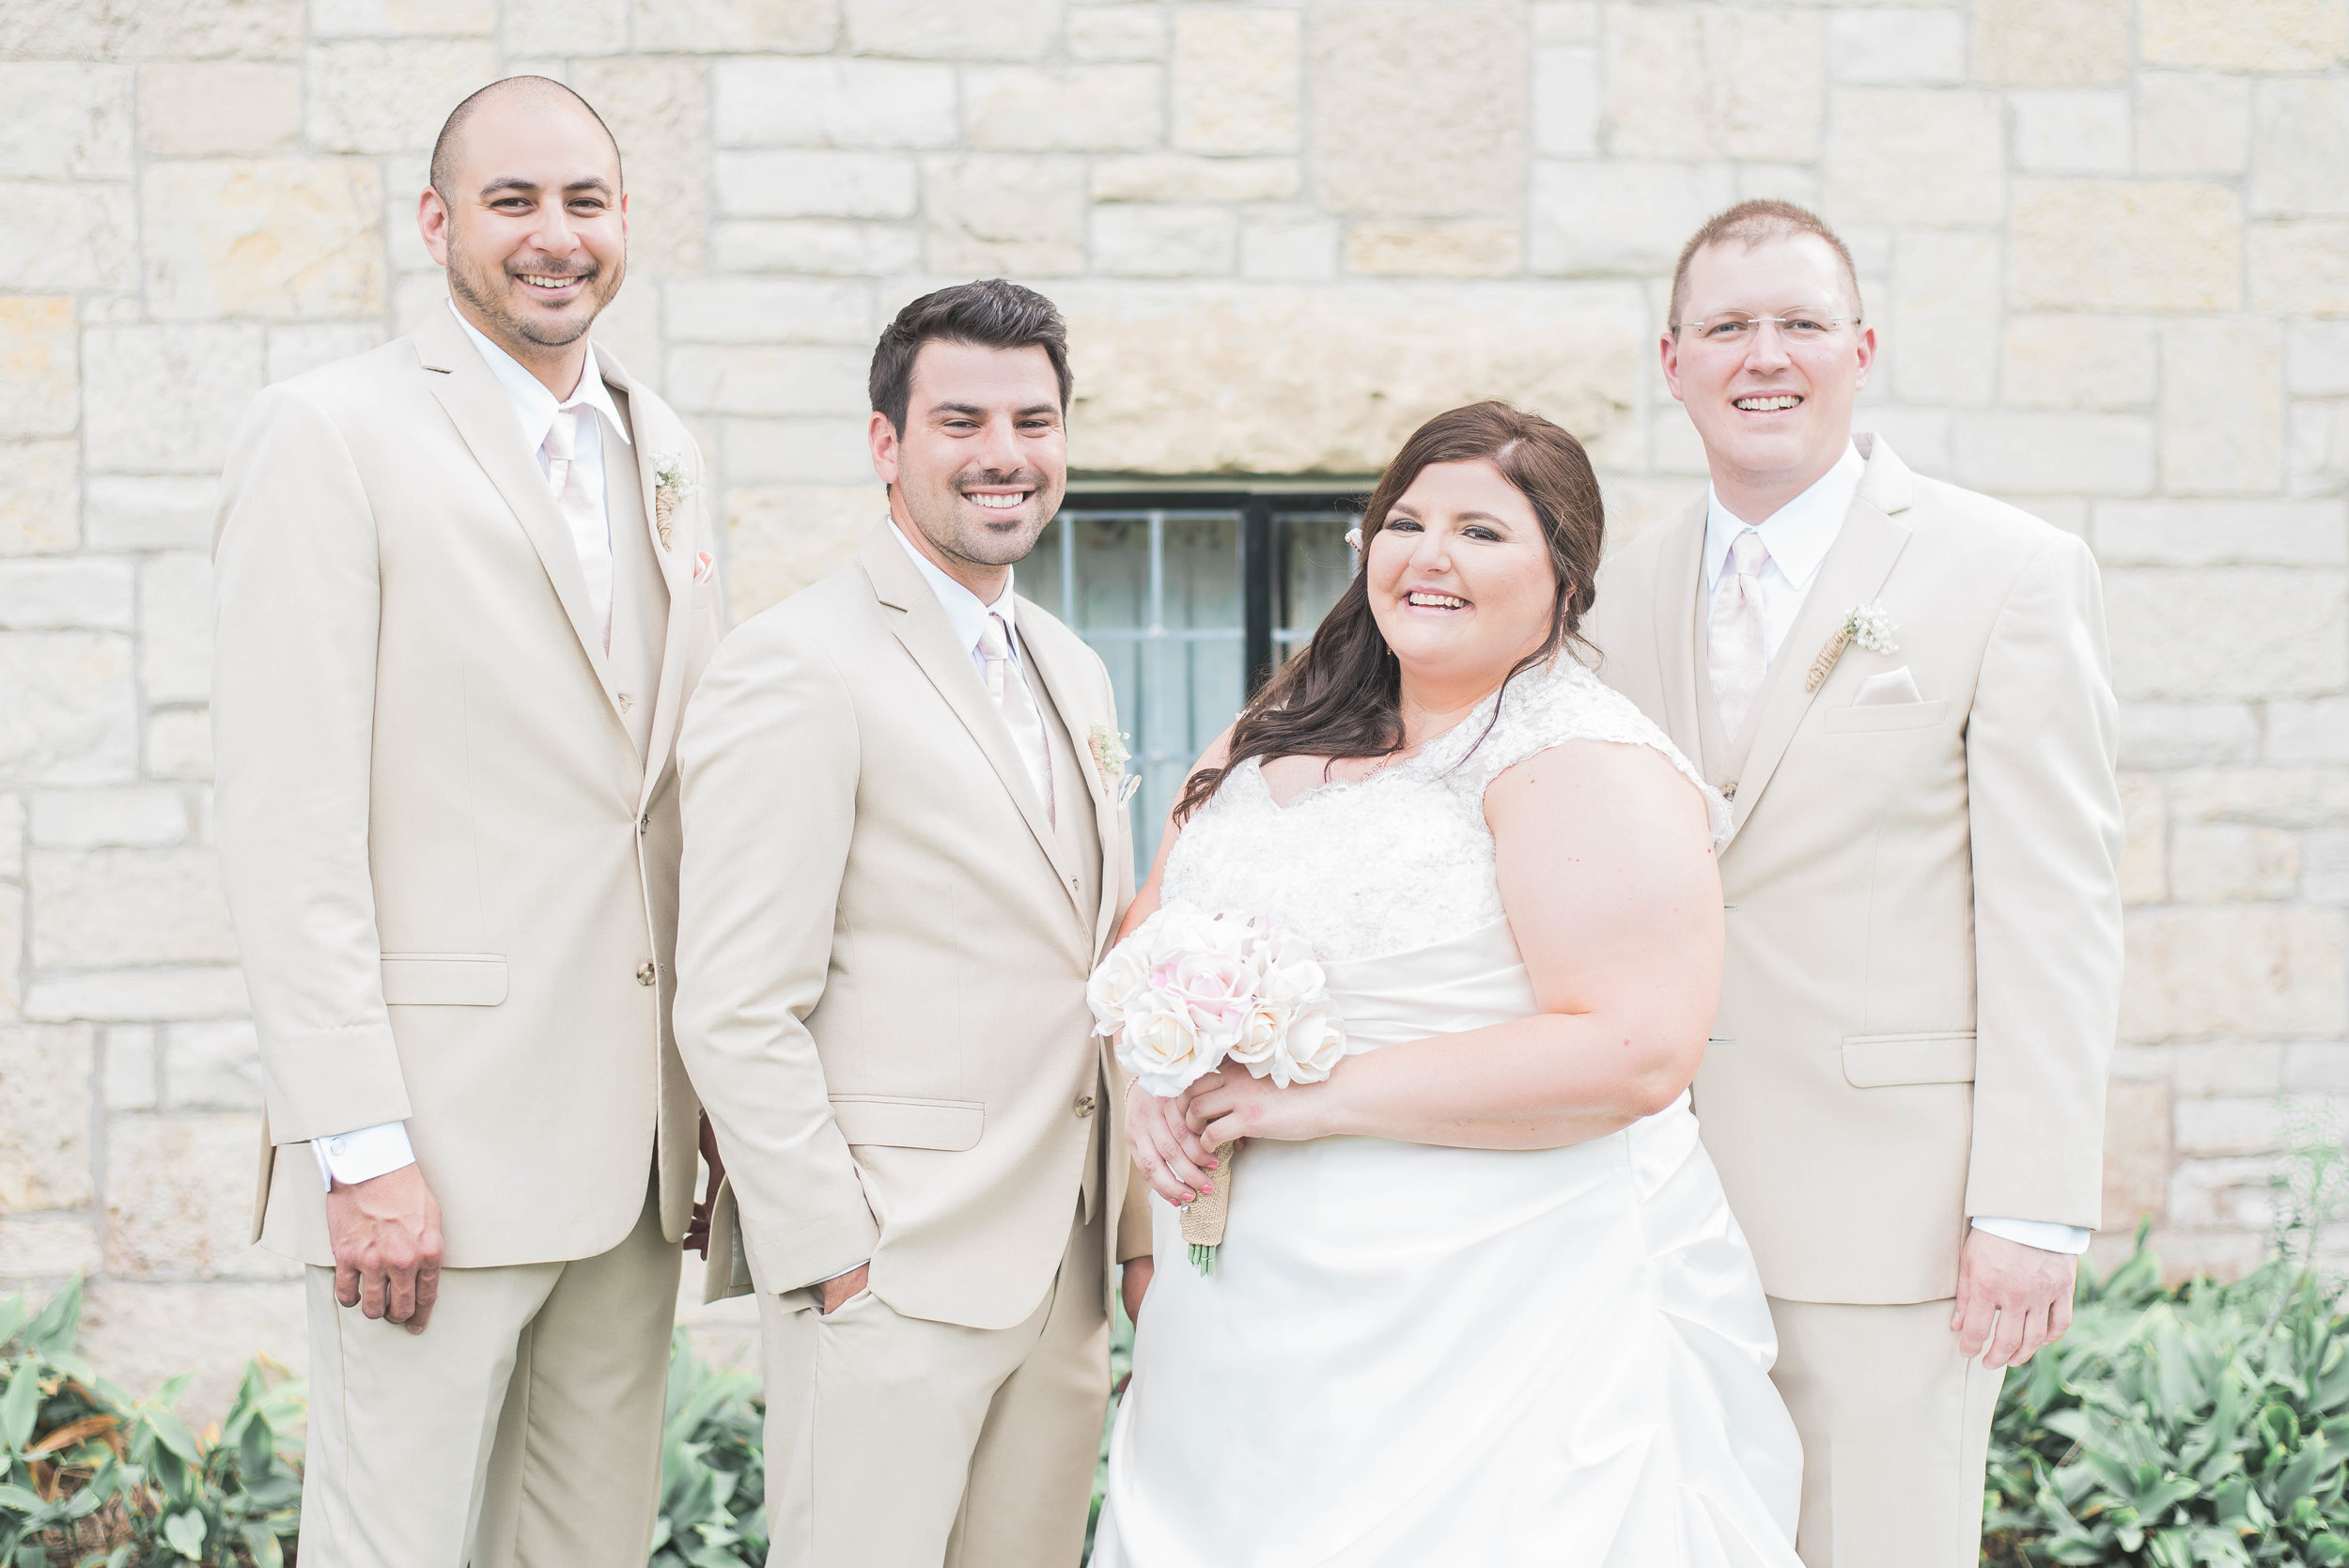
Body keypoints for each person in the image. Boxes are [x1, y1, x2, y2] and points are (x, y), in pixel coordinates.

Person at [1096, 401, 1804, 1566]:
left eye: (1481, 531)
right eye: (1405, 521)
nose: (1428, 555)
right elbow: (1149, 923)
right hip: (1240, 1300)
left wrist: (1307, 1101)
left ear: (1563, 578)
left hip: (1496, 1301)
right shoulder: (1273, 727)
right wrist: (1156, 1067)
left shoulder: (1579, 759)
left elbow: (1636, 1048)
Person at [210, 76, 725, 1566]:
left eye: (584, 201)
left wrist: (710, 1102)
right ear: (438, 223)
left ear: (624, 223)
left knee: (589, 1546)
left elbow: (678, 798)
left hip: (633, 1158)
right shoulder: (329, 434)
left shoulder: (673, 450)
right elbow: (286, 821)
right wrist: (358, 1146)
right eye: (512, 201)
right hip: (431, 1146)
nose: (553, 236)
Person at [1584, 199, 2123, 1568]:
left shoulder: (2005, 572)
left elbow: (2054, 909)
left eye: (1801, 324)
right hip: (1642, 1208)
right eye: (1729, 327)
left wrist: (2030, 1204)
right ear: (1673, 359)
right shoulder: (1611, 594)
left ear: (1862, 347)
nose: (1765, 357)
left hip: (1897, 1219)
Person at [673, 279, 1152, 1568]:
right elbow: (732, 1000)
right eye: (962, 419)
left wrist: (1135, 1231)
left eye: (1035, 421)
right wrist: (835, 1258)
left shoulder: (1072, 664)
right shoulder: (797, 664)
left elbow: (1105, 963)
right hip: (892, 1272)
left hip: (1060, 1275)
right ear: (886, 444)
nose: (1005, 454)